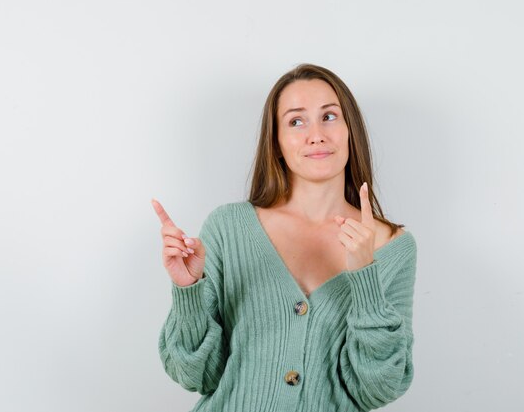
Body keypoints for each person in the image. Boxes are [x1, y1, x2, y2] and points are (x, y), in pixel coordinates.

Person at [152, 63, 417, 412]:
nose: (316, 134)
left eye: (330, 116)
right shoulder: (228, 228)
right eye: (296, 121)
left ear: (350, 129)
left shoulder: (394, 247)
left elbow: (378, 388)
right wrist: (188, 292)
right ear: (276, 142)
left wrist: (365, 274)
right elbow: (195, 374)